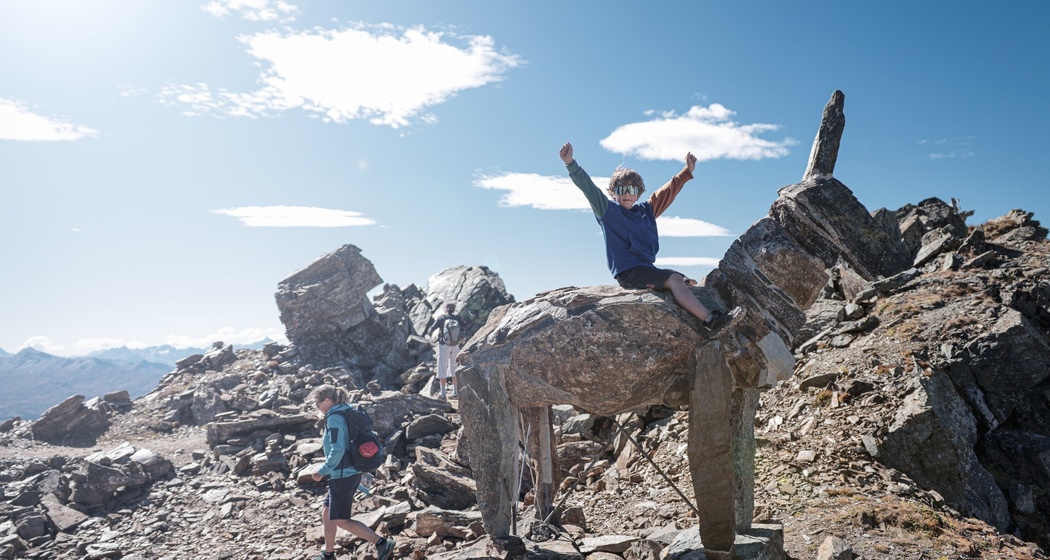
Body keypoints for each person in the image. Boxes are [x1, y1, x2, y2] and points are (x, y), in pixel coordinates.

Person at [559, 141, 729, 331]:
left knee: (687, 281)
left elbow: (668, 191)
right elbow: (588, 187)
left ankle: (685, 298)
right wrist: (570, 163)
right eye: (621, 189)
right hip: (628, 273)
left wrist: (686, 171)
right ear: (613, 193)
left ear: (638, 193)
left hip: (645, 268)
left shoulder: (645, 211)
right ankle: (709, 320)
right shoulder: (608, 211)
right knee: (675, 279)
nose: (627, 194)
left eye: (632, 190)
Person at [309, 385, 395, 560]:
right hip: (351, 471)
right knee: (327, 512)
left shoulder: (333, 418)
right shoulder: (347, 412)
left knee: (341, 519)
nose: (316, 408)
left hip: (343, 475)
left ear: (327, 400)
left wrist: (322, 471)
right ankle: (328, 553)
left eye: (317, 404)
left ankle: (382, 543)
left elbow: (337, 450)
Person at [429, 303, 466, 399]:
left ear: (446, 309)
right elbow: (464, 327)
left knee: (442, 367)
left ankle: (443, 393)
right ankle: (455, 392)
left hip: (444, 345)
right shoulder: (458, 318)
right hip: (455, 345)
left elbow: (432, 328)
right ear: (454, 309)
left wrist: (429, 334)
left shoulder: (441, 318)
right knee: (454, 367)